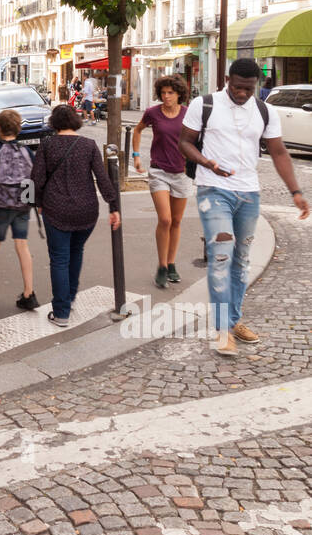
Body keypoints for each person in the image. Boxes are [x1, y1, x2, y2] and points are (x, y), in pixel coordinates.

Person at [180, 57, 309, 356]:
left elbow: (278, 152)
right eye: (237, 87)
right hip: (214, 190)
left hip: (249, 194)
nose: (242, 94)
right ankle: (223, 331)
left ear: (258, 86)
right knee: (222, 257)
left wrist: (296, 191)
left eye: (248, 89)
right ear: (228, 80)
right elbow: (184, 143)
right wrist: (205, 162)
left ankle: (234, 320)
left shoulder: (265, 110)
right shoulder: (205, 104)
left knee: (241, 261)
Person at [32, 104, 121, 327]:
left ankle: (61, 312)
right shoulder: (89, 145)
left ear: (54, 123)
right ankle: (69, 298)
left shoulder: (47, 144)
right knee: (76, 251)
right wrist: (114, 207)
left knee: (59, 259)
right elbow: (103, 179)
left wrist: (38, 204)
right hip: (86, 211)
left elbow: (37, 180)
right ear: (75, 121)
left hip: (56, 210)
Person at [131, 73, 193, 287]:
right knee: (165, 219)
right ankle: (161, 266)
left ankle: (172, 262)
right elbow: (137, 131)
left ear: (179, 94)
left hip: (182, 173)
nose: (166, 96)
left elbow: (198, 138)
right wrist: (136, 156)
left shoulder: (188, 114)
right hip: (159, 172)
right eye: (163, 93)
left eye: (171, 93)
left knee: (176, 221)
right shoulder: (152, 113)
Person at [0, 109, 38, 310]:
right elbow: (33, 178)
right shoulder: (26, 150)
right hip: (22, 204)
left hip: (1, 204)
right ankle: (29, 292)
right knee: (22, 244)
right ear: (18, 129)